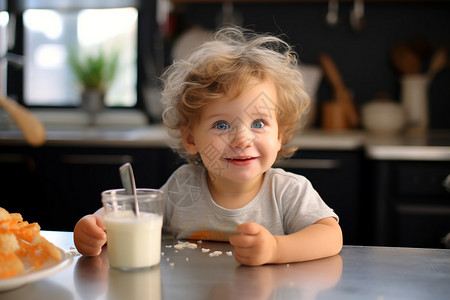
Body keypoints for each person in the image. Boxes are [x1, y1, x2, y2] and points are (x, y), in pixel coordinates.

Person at [74, 26, 342, 266]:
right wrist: (97, 226)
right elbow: (134, 216)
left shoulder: (288, 191)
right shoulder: (183, 186)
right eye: (222, 125)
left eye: (258, 123)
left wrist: (275, 249)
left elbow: (331, 236)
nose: (242, 139)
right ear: (191, 139)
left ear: (279, 135)